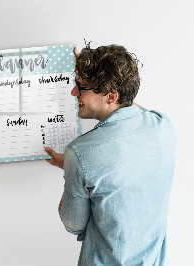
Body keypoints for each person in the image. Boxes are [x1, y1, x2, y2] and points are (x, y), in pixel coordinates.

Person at [45, 44, 176, 265]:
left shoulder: (80, 153)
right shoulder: (163, 125)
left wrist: (72, 169)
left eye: (81, 87)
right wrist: (92, 74)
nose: (73, 92)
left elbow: (73, 225)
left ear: (110, 96)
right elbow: (129, 107)